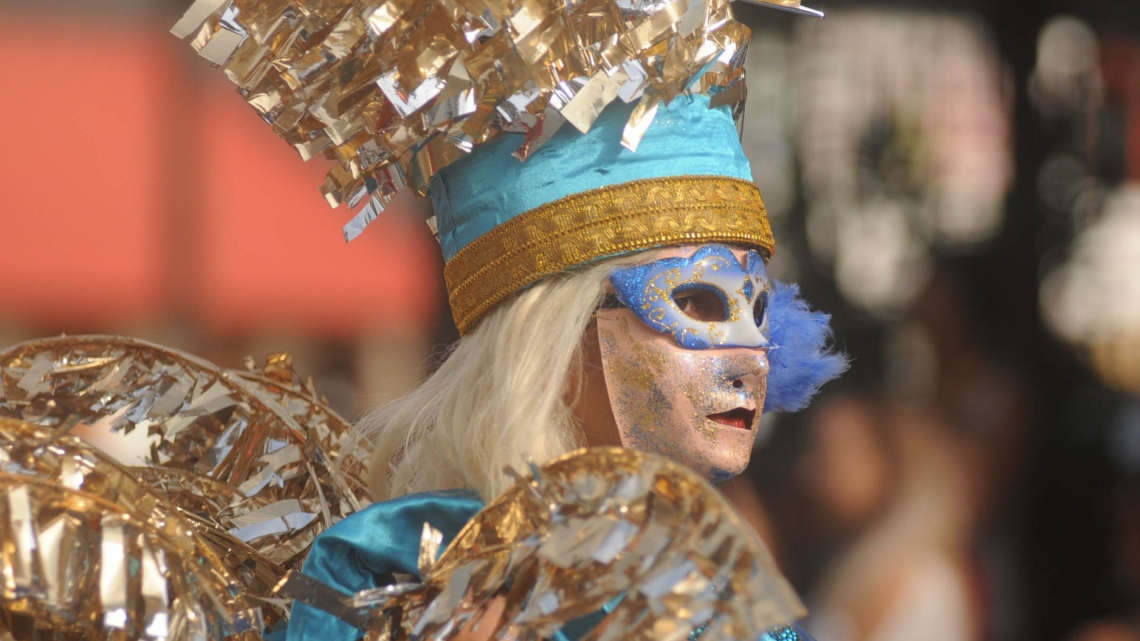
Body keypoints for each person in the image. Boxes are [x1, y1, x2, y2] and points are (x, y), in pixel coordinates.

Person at [282, 92, 846, 640]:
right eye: (697, 301)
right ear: (559, 331)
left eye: (758, 308)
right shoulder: (400, 575)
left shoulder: (734, 609)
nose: (754, 355)